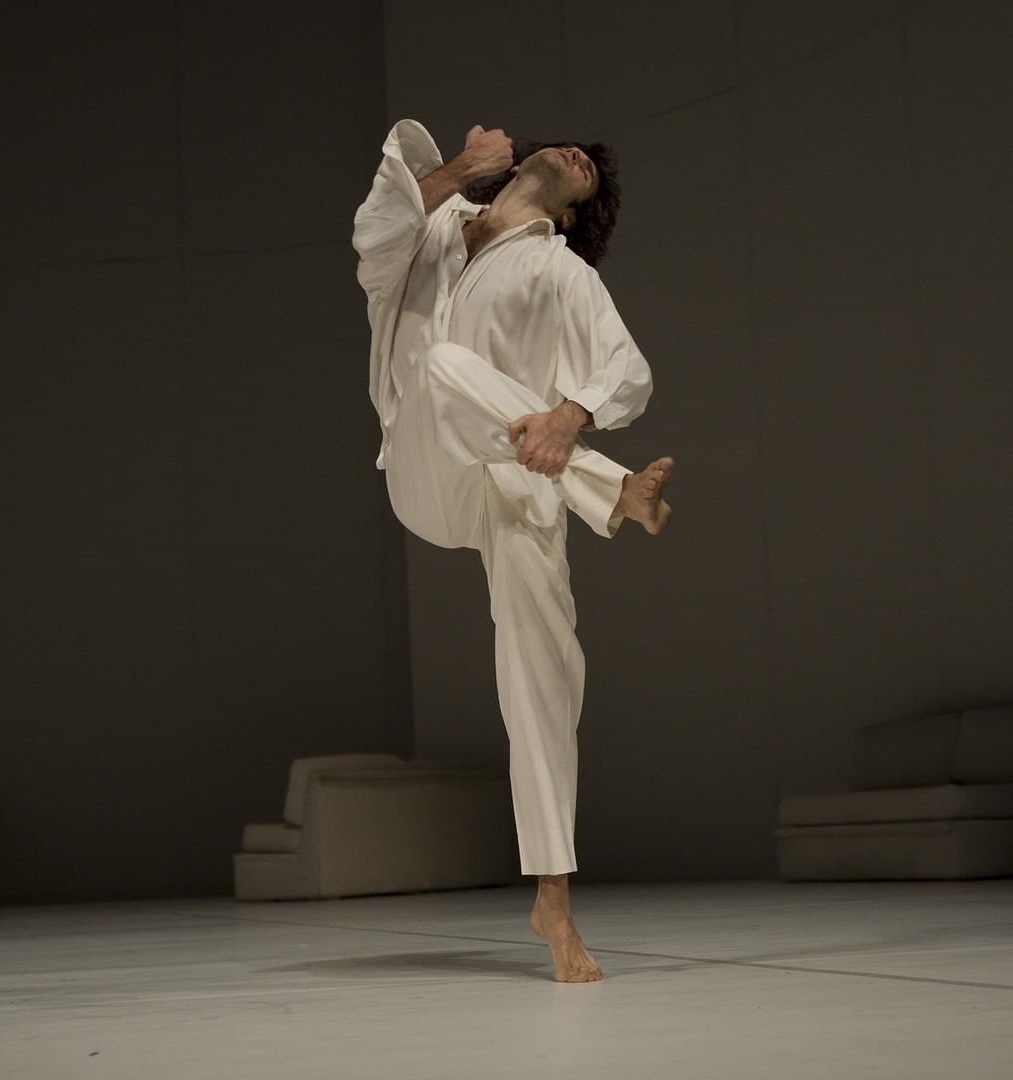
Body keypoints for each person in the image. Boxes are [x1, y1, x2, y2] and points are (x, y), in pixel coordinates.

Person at [352, 120, 674, 983]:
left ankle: (553, 902)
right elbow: (373, 233)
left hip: (522, 474)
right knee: (439, 365)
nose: (578, 159)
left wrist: (571, 414)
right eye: (571, 148)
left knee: (546, 659)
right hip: (426, 461)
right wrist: (462, 167)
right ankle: (612, 489)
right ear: (516, 164)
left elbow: (629, 371)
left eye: (588, 174)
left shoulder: (561, 270)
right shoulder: (434, 229)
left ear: (571, 216)